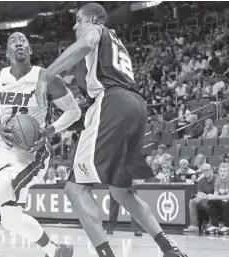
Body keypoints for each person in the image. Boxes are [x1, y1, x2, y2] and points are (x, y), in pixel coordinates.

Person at [35, 3, 187, 257]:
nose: (75, 25)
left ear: (93, 19)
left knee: (75, 188)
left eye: (78, 19)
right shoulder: (115, 44)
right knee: (120, 191)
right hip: (136, 105)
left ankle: (106, 254)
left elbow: (87, 42)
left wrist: (45, 75)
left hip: (111, 102)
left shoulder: (95, 29)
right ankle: (168, 248)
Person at [0, 32, 81, 257]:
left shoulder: (47, 78)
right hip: (5, 152)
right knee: (11, 220)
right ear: (7, 53)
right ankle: (57, 251)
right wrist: (0, 129)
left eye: (23, 40)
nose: (19, 42)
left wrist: (51, 129)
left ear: (30, 50)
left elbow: (74, 111)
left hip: (32, 154)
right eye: (13, 41)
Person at [183, 164, 217, 233]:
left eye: (207, 170)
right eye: (203, 171)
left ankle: (212, 224)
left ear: (211, 170)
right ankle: (194, 226)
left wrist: (206, 196)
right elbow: (200, 194)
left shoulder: (217, 179)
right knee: (192, 201)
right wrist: (199, 197)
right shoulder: (201, 180)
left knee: (210, 202)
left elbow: (216, 195)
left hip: (215, 201)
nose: (205, 172)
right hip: (204, 199)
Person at [205, 163, 229, 234]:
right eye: (221, 171)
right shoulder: (217, 181)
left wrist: (215, 197)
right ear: (218, 172)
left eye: (224, 171)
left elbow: (228, 196)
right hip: (224, 203)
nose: (222, 173)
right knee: (210, 202)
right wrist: (210, 197)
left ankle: (227, 225)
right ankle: (215, 225)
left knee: (225, 202)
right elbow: (215, 194)